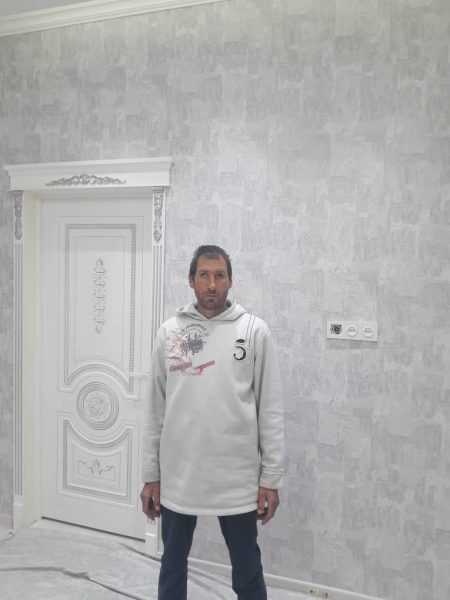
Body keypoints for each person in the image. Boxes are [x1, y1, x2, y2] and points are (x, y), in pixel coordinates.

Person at [140, 245, 284, 600]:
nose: (212, 284)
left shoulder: (254, 331)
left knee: (247, 570)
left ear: (230, 282)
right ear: (191, 280)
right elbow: (155, 407)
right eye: (203, 275)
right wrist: (150, 475)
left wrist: (270, 478)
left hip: (236, 479)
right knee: (172, 566)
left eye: (220, 275)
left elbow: (270, 409)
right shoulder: (170, 332)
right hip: (180, 476)